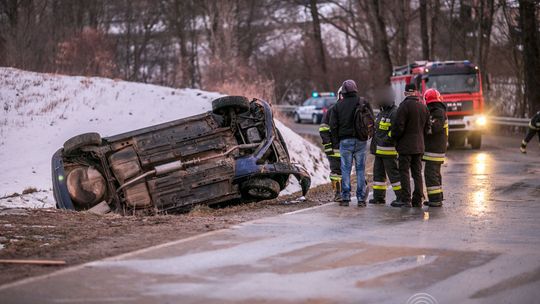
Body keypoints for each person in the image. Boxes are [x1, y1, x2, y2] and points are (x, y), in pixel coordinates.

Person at [390, 83, 430, 208]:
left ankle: (406, 199)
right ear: (417, 92)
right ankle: (418, 200)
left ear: (405, 93)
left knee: (404, 172)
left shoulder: (403, 107)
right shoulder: (424, 108)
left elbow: (398, 127)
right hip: (419, 146)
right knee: (417, 173)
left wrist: (394, 137)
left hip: (405, 147)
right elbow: (427, 128)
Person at [329, 79, 368, 207]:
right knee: (360, 170)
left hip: (345, 141)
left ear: (343, 92)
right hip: (361, 141)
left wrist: (335, 143)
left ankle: (345, 197)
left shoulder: (338, 106)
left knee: (345, 169)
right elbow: (370, 121)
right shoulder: (363, 102)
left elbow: (333, 126)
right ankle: (361, 198)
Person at [368, 86, 402, 205]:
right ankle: (378, 197)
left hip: (389, 151)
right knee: (378, 175)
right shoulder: (382, 112)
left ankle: (401, 197)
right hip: (379, 151)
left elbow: (396, 130)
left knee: (394, 176)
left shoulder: (395, 112)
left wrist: (386, 139)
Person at [422, 88, 448, 207]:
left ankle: (435, 200)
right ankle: (437, 197)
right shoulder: (437, 111)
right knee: (435, 173)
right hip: (435, 149)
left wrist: (422, 126)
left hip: (435, 150)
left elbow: (433, 129)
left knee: (430, 174)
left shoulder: (438, 112)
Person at [319, 87, 343, 202]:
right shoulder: (333, 110)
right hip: (339, 148)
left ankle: (339, 193)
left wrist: (327, 145)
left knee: (337, 172)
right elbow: (324, 128)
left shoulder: (332, 109)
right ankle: (340, 193)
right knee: (339, 172)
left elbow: (323, 129)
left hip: (336, 148)